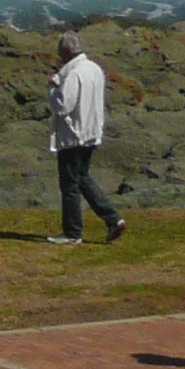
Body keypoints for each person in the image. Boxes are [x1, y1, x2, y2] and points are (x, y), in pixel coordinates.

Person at [45, 31, 124, 243]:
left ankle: (73, 233)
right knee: (82, 178)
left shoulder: (73, 74)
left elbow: (62, 106)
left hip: (74, 135)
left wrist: (53, 88)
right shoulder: (95, 68)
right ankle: (112, 219)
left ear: (66, 53)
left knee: (70, 184)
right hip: (91, 132)